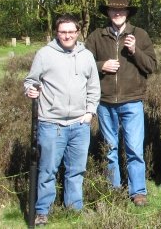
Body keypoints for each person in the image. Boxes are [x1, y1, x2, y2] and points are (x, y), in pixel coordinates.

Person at [24, 14, 100, 226]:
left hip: (79, 124)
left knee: (76, 170)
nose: (67, 36)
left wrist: (89, 113)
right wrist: (30, 89)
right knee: (48, 170)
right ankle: (42, 211)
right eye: (62, 32)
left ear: (78, 33)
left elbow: (94, 87)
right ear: (57, 33)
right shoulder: (45, 54)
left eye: (71, 32)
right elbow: (31, 81)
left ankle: (74, 209)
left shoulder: (87, 56)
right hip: (51, 124)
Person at [85, 0, 157, 206]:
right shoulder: (96, 36)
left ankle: (138, 192)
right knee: (110, 149)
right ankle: (113, 189)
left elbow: (152, 66)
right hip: (105, 102)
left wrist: (135, 51)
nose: (117, 13)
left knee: (135, 148)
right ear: (107, 12)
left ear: (127, 13)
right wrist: (101, 66)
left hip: (132, 101)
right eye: (113, 10)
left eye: (122, 10)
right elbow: (82, 64)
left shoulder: (140, 35)